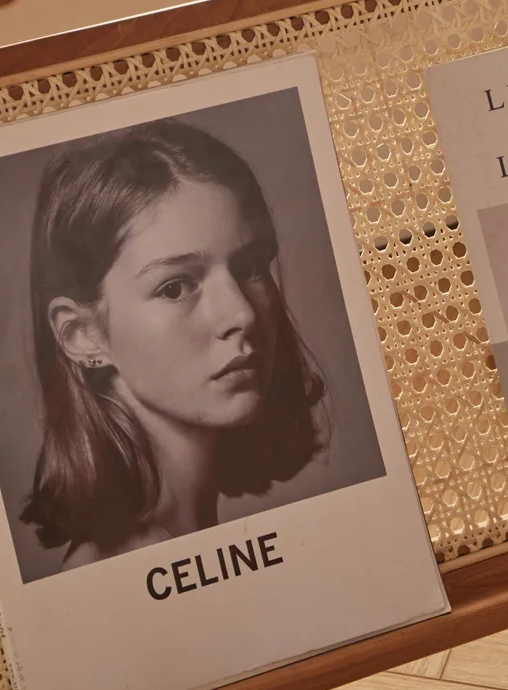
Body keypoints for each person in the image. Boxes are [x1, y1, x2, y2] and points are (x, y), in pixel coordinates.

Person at [19, 119, 326, 568]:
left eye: (250, 267)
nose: (241, 314)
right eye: (175, 287)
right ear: (82, 335)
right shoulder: (114, 580)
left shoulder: (186, 543)